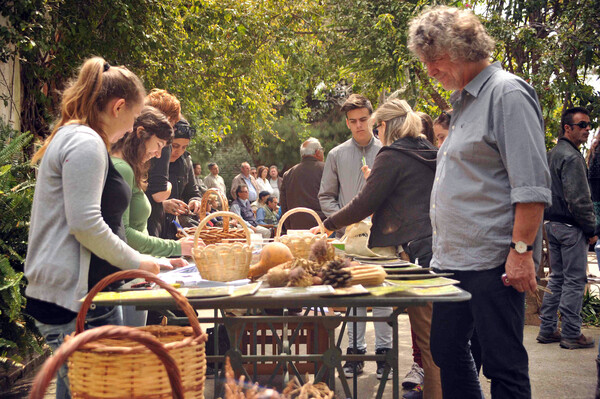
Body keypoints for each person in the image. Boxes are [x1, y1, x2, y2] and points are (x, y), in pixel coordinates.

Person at [408, 6, 551, 398]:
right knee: (444, 348)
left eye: (434, 59)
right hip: (454, 260)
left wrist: (521, 252)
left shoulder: (507, 92)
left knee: (502, 363)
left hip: (494, 262)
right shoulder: (464, 101)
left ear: (463, 49)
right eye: (425, 61)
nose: (430, 70)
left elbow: (532, 186)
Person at [24, 57, 161, 399]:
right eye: (133, 119)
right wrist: (137, 262)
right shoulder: (86, 143)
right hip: (73, 299)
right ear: (118, 107)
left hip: (79, 294)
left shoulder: (77, 137)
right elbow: (85, 224)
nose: (131, 130)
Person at [313, 99, 441, 396]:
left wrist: (328, 225)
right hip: (439, 245)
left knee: (429, 339)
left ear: (385, 125)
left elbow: (365, 202)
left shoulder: (391, 154)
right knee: (443, 340)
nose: (372, 131)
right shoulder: (428, 149)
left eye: (375, 126)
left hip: (420, 250)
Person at [318, 94, 392, 380]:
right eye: (353, 121)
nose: (359, 125)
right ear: (346, 123)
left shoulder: (388, 151)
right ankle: (355, 353)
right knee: (352, 293)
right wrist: (345, 222)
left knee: (382, 293)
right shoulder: (336, 155)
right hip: (348, 239)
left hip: (383, 237)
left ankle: (385, 355)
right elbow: (326, 195)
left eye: (364, 119)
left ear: (373, 119)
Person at [537, 107, 597, 349]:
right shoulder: (571, 157)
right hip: (570, 227)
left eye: (588, 125)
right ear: (567, 128)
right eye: (582, 125)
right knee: (574, 281)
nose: (587, 129)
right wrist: (591, 228)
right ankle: (572, 333)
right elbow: (579, 200)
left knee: (558, 279)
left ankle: (547, 329)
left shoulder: (552, 154)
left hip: (552, 224)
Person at [110, 106, 197, 260]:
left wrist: (160, 260)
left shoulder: (130, 169)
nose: (158, 155)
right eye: (158, 145)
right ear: (140, 133)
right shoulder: (122, 169)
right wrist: (176, 247)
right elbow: (123, 233)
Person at [144, 89, 181, 237]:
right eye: (173, 123)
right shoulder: (163, 144)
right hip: (150, 224)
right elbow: (158, 193)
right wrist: (169, 186)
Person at [160, 118, 203, 240]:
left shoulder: (185, 160)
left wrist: (195, 201)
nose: (179, 152)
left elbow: (193, 192)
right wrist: (162, 205)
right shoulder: (152, 157)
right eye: (175, 146)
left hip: (174, 228)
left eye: (184, 147)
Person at [280, 138, 326, 230]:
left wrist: (290, 227)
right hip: (322, 227)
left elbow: (284, 205)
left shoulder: (288, 174)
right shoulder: (326, 169)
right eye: (322, 150)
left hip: (296, 228)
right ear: (317, 152)